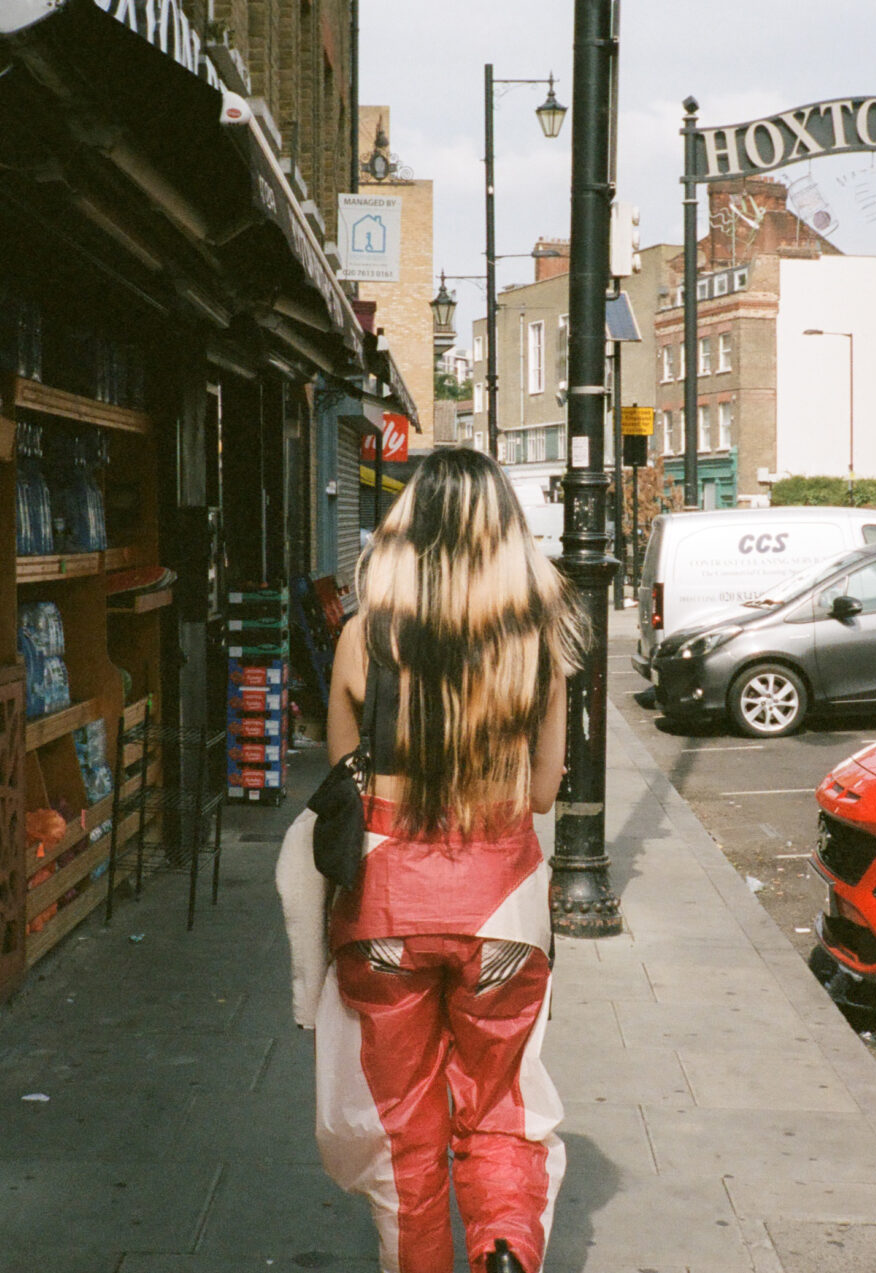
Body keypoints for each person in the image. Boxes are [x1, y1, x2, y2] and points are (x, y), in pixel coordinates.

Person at [313, 447, 585, 1273]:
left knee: (406, 1123)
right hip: (501, 909)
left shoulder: (364, 635)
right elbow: (542, 792)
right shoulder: (537, 639)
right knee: (500, 1101)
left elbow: (342, 781)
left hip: (387, 911)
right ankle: (503, 1244)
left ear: (405, 528)